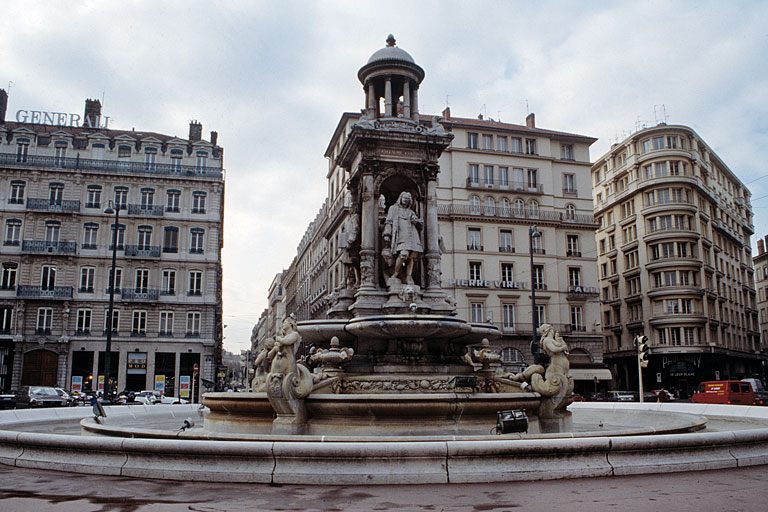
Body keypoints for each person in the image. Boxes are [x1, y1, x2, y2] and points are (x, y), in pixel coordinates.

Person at [382, 191, 423, 284]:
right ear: (400, 198)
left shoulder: (411, 212)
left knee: (412, 256)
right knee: (403, 254)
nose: (406, 200)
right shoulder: (393, 209)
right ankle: (395, 274)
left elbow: (416, 222)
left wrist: (416, 221)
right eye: (404, 198)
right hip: (400, 235)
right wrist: (387, 234)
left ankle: (409, 276)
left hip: (412, 234)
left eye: (408, 199)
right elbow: (388, 222)